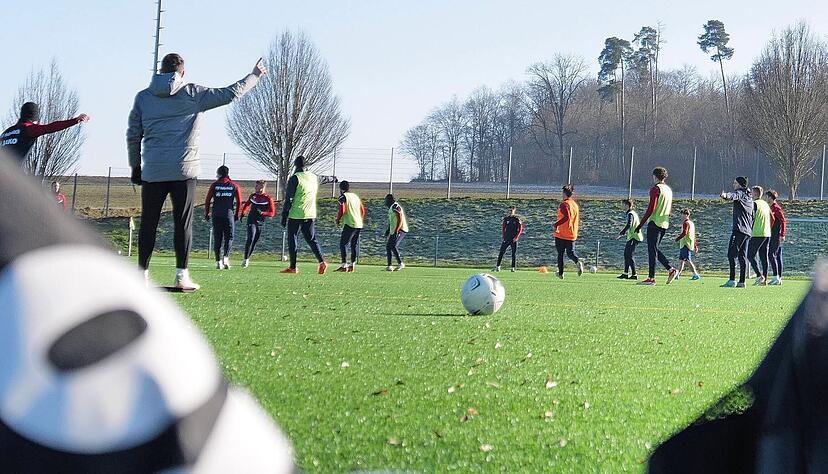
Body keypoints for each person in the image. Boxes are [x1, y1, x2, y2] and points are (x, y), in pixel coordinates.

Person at [127, 53, 266, 290]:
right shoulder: (193, 93)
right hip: (184, 169)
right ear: (182, 72)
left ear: (160, 71)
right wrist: (254, 76)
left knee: (148, 223)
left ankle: (141, 276)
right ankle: (182, 275)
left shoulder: (143, 97)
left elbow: (133, 134)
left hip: (153, 170)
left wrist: (136, 166)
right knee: (183, 223)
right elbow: (230, 93)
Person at [280, 156, 335, 274]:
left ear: (295, 165)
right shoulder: (313, 177)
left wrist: (284, 215)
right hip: (310, 214)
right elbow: (325, 179)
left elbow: (289, 199)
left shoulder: (295, 178)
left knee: (292, 239)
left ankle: (293, 267)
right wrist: (333, 178)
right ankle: (322, 262)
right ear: (307, 165)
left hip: (296, 214)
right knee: (311, 239)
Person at [1, 102, 89, 166]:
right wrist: (75, 120)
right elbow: (51, 127)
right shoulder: (28, 128)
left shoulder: (6, 133)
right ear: (34, 117)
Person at [634, 167, 678, 285]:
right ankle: (670, 269)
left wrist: (640, 225)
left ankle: (651, 278)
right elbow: (669, 208)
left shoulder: (655, 189)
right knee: (654, 250)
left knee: (652, 250)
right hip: (664, 223)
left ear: (655, 176)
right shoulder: (668, 190)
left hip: (654, 222)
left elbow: (651, 209)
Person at [205, 166, 242, 270]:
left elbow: (208, 200)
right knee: (229, 237)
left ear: (219, 173)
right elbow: (239, 202)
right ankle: (226, 257)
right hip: (228, 215)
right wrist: (237, 214)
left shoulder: (215, 185)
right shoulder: (234, 186)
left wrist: (207, 212)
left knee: (218, 238)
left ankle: (218, 261)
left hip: (216, 215)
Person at [719, 176, 754, 288]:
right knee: (742, 256)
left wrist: (725, 196)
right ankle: (742, 282)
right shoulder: (750, 198)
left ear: (739, 184)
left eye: (735, 183)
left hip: (739, 230)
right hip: (747, 232)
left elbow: (734, 196)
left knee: (731, 255)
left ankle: (732, 280)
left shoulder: (740, 193)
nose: (733, 184)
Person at [240, 180, 276, 268]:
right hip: (251, 220)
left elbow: (272, 213)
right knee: (250, 238)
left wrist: (263, 213)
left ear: (262, 187)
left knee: (254, 241)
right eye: (255, 186)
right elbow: (247, 205)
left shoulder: (268, 198)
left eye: (257, 186)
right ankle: (245, 260)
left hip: (260, 222)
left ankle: (247, 258)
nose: (255, 188)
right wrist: (243, 212)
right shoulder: (253, 196)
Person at [552, 184, 583, 279]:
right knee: (570, 253)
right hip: (572, 233)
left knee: (560, 254)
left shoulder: (564, 204)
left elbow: (567, 217)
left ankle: (561, 273)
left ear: (564, 193)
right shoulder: (574, 204)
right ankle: (577, 262)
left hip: (561, 233)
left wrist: (556, 224)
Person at [335, 181, 365, 272]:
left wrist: (338, 219)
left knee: (343, 244)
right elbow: (362, 210)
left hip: (350, 223)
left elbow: (342, 208)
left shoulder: (343, 197)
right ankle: (352, 265)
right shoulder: (355, 196)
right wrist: (360, 220)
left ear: (341, 189)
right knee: (353, 245)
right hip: (358, 223)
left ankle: (344, 265)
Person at [747, 185, 771, 286]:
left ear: (756, 194)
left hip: (757, 233)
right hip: (767, 233)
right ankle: (764, 279)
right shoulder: (765, 204)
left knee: (750, 255)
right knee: (763, 257)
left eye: (752, 192)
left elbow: (751, 218)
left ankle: (759, 275)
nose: (750, 194)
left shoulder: (754, 204)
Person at [616, 198, 643, 280]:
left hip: (634, 237)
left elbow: (629, 224)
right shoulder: (631, 213)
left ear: (627, 205)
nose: (621, 206)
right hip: (632, 237)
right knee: (626, 254)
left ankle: (634, 274)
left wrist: (621, 233)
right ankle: (625, 273)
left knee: (629, 255)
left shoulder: (630, 214)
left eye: (622, 204)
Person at [494, 206, 525, 272]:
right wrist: (504, 237)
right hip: (506, 238)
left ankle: (513, 268)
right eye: (509, 210)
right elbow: (503, 228)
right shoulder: (506, 219)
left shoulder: (517, 219)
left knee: (513, 253)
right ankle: (498, 267)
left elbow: (520, 229)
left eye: (511, 211)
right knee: (501, 252)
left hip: (513, 239)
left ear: (514, 211)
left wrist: (516, 237)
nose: (510, 212)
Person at [766, 189, 787, 285]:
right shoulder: (769, 207)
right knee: (777, 255)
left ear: (771, 197)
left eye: (767, 196)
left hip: (776, 235)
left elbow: (783, 221)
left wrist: (782, 234)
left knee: (771, 254)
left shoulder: (776, 208)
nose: (765, 198)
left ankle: (776, 277)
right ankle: (778, 278)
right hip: (772, 234)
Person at [384, 193, 409, 271]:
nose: (385, 202)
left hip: (400, 229)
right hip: (394, 230)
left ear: (390, 200)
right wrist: (388, 230)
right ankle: (389, 266)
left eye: (386, 200)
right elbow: (392, 221)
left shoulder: (395, 206)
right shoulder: (391, 208)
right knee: (388, 246)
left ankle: (400, 263)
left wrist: (397, 230)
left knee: (393, 246)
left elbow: (399, 218)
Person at [674, 209, 700, 281]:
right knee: (681, 261)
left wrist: (677, 239)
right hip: (686, 244)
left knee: (687, 260)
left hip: (686, 244)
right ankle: (677, 275)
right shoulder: (691, 223)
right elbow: (693, 235)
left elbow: (685, 233)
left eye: (682, 214)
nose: (681, 216)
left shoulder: (686, 223)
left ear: (686, 215)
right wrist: (695, 245)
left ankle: (695, 274)